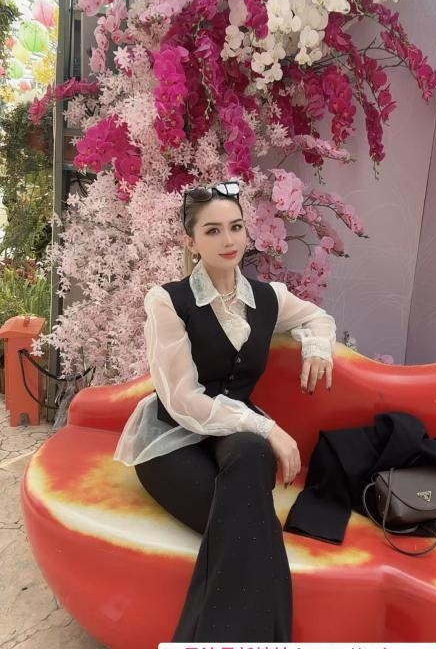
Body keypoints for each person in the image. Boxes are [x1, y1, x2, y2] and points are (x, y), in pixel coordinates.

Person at [114, 180, 336, 642]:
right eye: (212, 231)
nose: (228, 240)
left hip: (232, 433)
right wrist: (269, 428)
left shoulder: (268, 297)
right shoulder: (167, 301)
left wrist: (317, 348)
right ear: (190, 242)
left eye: (236, 227)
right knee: (252, 528)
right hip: (171, 439)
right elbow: (183, 399)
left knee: (251, 457)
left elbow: (317, 317)